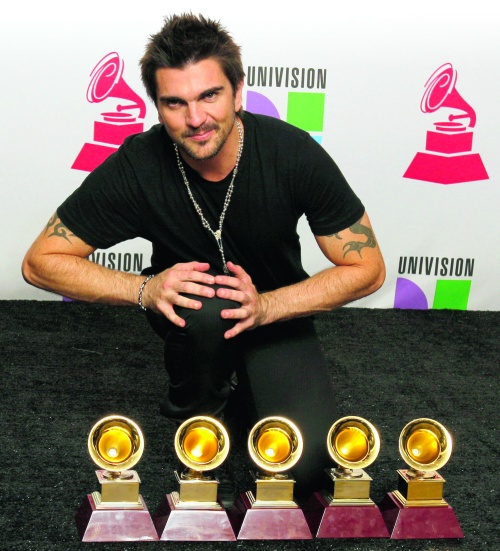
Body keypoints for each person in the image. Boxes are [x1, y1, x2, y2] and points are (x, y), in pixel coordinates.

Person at [22, 13, 385, 506]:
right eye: (175, 102)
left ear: (238, 93)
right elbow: (40, 262)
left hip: (277, 313)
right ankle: (197, 414)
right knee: (205, 307)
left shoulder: (291, 152)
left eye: (209, 95)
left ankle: (241, 404)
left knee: (307, 468)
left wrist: (268, 306)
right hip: (195, 319)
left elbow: (368, 268)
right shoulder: (139, 163)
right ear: (158, 107)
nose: (195, 119)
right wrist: (144, 289)